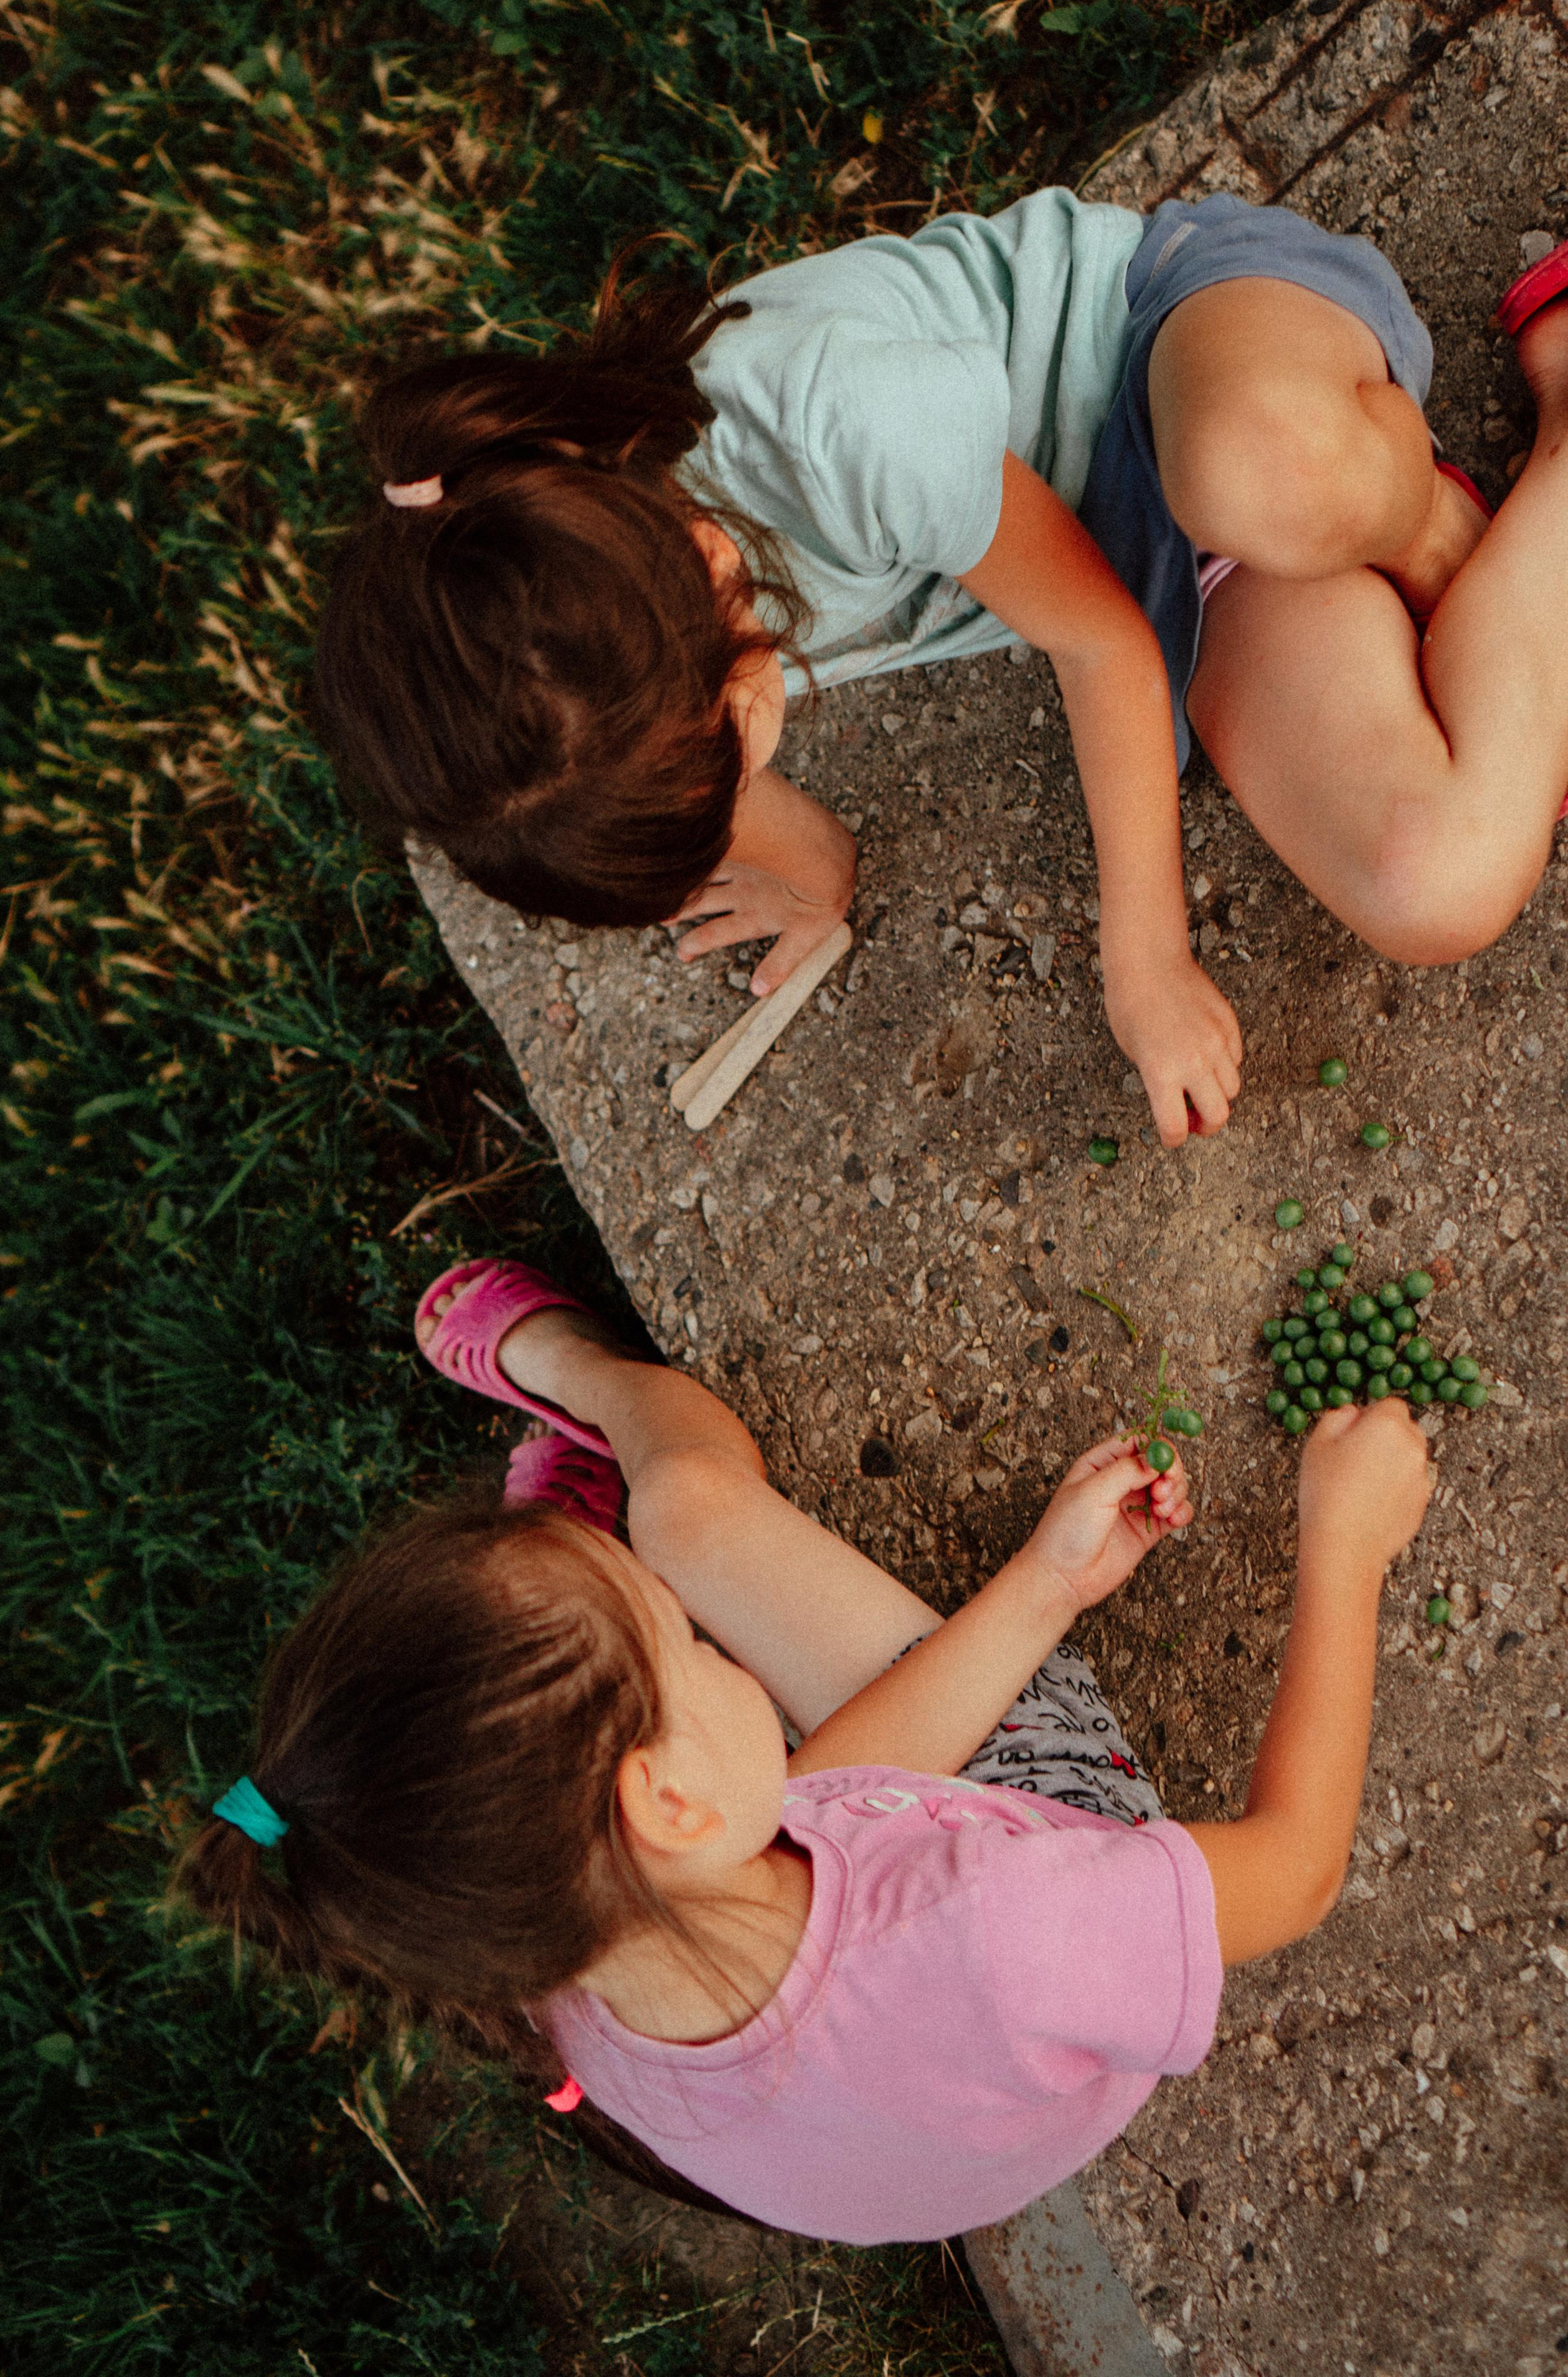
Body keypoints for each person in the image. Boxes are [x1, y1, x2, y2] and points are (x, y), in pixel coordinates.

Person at [178, 1259, 1432, 2243]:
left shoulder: (550, 1961)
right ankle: (580, 1379)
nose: (728, 1655)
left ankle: (577, 1572)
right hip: (1022, 1885)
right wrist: (1342, 1548)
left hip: (881, 2024)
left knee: (686, 1578)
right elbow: (1297, 1866)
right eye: (686, 1644)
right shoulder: (1009, 1924)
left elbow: (833, 1811)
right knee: (689, 1511)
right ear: (662, 1802)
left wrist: (1046, 1588)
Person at [312, 196, 1568, 1149]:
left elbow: (1096, 643)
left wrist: (1142, 958)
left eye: (733, 747)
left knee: (1256, 476)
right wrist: (807, 879)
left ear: (706, 567)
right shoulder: (595, 658)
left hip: (1181, 341)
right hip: (1169, 572)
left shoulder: (827, 418)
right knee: (1431, 885)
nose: (751, 771)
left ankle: (1414, 530)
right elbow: (648, 756)